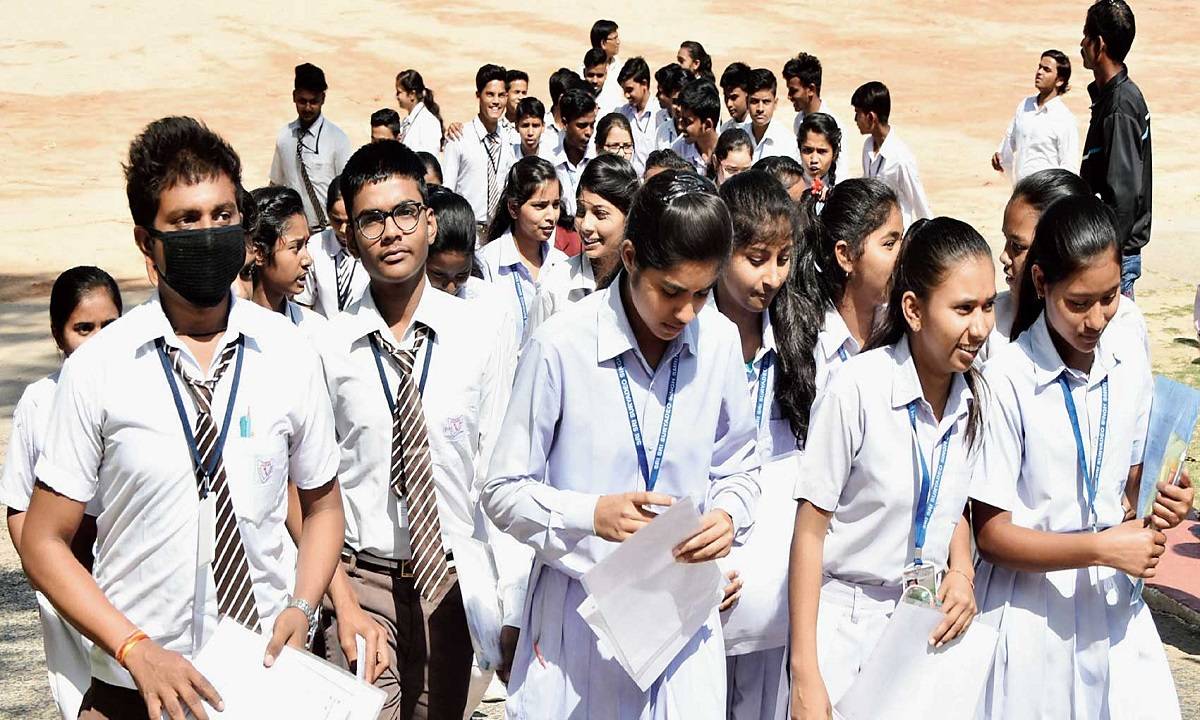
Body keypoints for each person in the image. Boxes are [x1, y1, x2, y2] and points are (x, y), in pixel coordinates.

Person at [21, 115, 345, 720]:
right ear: (147, 243)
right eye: (186, 221)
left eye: (223, 215)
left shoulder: (290, 352)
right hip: (135, 688)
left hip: (263, 682)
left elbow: (323, 506)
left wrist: (303, 605)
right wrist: (134, 648)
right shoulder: (99, 367)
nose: (209, 233)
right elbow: (43, 540)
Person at [482, 170, 761, 718]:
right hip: (580, 620)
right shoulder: (561, 346)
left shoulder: (720, 343)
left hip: (681, 617)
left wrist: (728, 515)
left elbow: (739, 466)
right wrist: (590, 514)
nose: (686, 313)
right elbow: (502, 490)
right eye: (671, 292)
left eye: (703, 293)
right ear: (630, 258)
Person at [316, 140, 520, 720]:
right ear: (350, 236)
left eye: (405, 212)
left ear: (429, 222)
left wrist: (510, 601)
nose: (391, 232)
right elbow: (313, 489)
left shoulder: (479, 333)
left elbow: (500, 470)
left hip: (451, 584)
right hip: (363, 581)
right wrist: (340, 599)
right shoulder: (329, 348)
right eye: (371, 220)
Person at [971, 195, 1189, 719]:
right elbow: (992, 534)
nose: (1096, 320)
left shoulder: (1127, 358)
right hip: (1032, 614)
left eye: (1109, 297)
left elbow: (1130, 487)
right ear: (1041, 282)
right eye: (1078, 302)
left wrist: (1166, 502)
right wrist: (1101, 549)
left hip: (1114, 607)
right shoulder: (1006, 379)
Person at [791, 217, 995, 716]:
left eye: (988, 306)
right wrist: (805, 672)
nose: (981, 327)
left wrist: (963, 572)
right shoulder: (857, 389)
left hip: (924, 630)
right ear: (913, 310)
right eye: (963, 308)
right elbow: (809, 533)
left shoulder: (971, 398)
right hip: (846, 630)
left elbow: (948, 503)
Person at [711, 171, 816, 720]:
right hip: (703, 584)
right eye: (756, 258)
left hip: (773, 597)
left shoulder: (800, 344)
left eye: (784, 258)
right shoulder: (689, 340)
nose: (772, 276)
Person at [2, 267, 121, 720]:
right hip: (69, 576)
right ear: (58, 335)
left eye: (109, 326)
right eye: (83, 329)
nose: (97, 340)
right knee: (82, 698)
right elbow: (19, 505)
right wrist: (48, 576)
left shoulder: (149, 394)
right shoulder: (39, 402)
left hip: (131, 573)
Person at [984, 168, 1149, 363]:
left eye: (1018, 246)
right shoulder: (989, 324)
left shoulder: (1126, 324)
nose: (1004, 256)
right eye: (1078, 303)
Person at [1078, 0, 1152, 298]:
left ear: (1099, 44)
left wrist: (1104, 261)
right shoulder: (1113, 98)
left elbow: (1123, 197)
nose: (1081, 43)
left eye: (1086, 36)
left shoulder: (1119, 108)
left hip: (1112, 259)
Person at [525, 153, 638, 338]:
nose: (585, 225)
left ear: (629, 218)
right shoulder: (556, 286)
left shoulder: (643, 284)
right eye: (581, 211)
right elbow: (532, 351)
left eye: (600, 214)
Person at [810, 179, 905, 384]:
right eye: (889, 244)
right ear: (846, 256)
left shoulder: (902, 331)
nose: (902, 253)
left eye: (902, 240)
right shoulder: (813, 346)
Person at [478, 156, 569, 344]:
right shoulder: (487, 264)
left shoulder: (563, 264)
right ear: (513, 208)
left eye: (555, 205)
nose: (551, 216)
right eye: (540, 206)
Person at [270, 62, 352, 233]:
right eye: (302, 101)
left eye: (313, 102)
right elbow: (275, 184)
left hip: (329, 231)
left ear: (323, 99)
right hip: (296, 231)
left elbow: (346, 188)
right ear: (294, 97)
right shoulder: (285, 137)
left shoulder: (338, 139)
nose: (307, 108)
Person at [442, 64, 516, 230]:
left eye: (501, 95)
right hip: (467, 230)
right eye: (490, 94)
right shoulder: (459, 137)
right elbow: (447, 190)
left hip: (499, 231)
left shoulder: (509, 138)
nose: (496, 101)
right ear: (478, 95)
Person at [246, 186, 325, 336]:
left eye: (306, 245)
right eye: (295, 247)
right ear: (259, 253)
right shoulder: (232, 331)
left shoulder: (315, 330)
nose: (307, 260)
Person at [852, 80, 932, 228]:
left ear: (871, 117)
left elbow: (919, 201)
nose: (855, 119)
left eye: (857, 113)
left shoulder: (901, 157)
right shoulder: (868, 146)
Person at [991, 50, 1078, 184]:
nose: (1039, 72)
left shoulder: (1064, 119)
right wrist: (1000, 156)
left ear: (1060, 81)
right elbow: (1010, 138)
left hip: (1047, 193)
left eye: (1046, 70)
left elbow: (1069, 166)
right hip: (1021, 190)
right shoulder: (1025, 105)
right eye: (1039, 67)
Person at [295, 175, 369, 318]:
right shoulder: (314, 248)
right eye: (337, 221)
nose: (343, 229)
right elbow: (304, 304)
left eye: (349, 222)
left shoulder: (372, 247)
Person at [784, 53, 850, 183]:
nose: (789, 96)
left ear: (811, 89)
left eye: (794, 91)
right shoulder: (799, 120)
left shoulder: (835, 125)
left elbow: (841, 172)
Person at [548, 88, 598, 218]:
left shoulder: (598, 159)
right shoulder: (549, 161)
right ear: (565, 123)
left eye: (592, 125)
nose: (589, 132)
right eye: (582, 125)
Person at [745, 68, 800, 163]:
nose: (760, 109)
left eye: (766, 102)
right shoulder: (739, 136)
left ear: (775, 103)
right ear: (747, 102)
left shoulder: (787, 143)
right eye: (754, 101)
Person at [670, 79, 722, 176]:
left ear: (707, 125)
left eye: (687, 122)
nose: (680, 126)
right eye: (680, 119)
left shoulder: (728, 152)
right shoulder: (678, 151)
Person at [618, 57, 660, 174]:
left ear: (644, 84)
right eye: (624, 90)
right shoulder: (623, 113)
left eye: (630, 90)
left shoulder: (660, 113)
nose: (626, 95)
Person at [394, 69, 445, 156]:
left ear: (412, 94)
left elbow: (429, 158)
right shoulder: (407, 121)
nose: (396, 96)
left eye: (399, 92)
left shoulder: (428, 122)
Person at [797, 112, 842, 201]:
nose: (814, 160)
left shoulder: (842, 190)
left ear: (834, 153)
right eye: (807, 150)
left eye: (822, 152)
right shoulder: (790, 187)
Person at [589, 18, 625, 117]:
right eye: (615, 38)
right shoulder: (588, 70)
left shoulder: (617, 64)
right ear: (603, 43)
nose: (618, 42)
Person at [654, 63, 691, 150]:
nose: (679, 108)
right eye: (675, 102)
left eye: (684, 103)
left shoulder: (698, 134)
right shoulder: (662, 131)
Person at [719, 62, 752, 133]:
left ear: (748, 94)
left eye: (734, 98)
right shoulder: (724, 130)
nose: (729, 104)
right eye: (726, 97)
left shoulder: (758, 130)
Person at [502, 69, 530, 144]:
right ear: (505, 94)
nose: (521, 97)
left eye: (524, 93)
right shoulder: (496, 128)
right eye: (517, 92)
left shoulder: (533, 128)